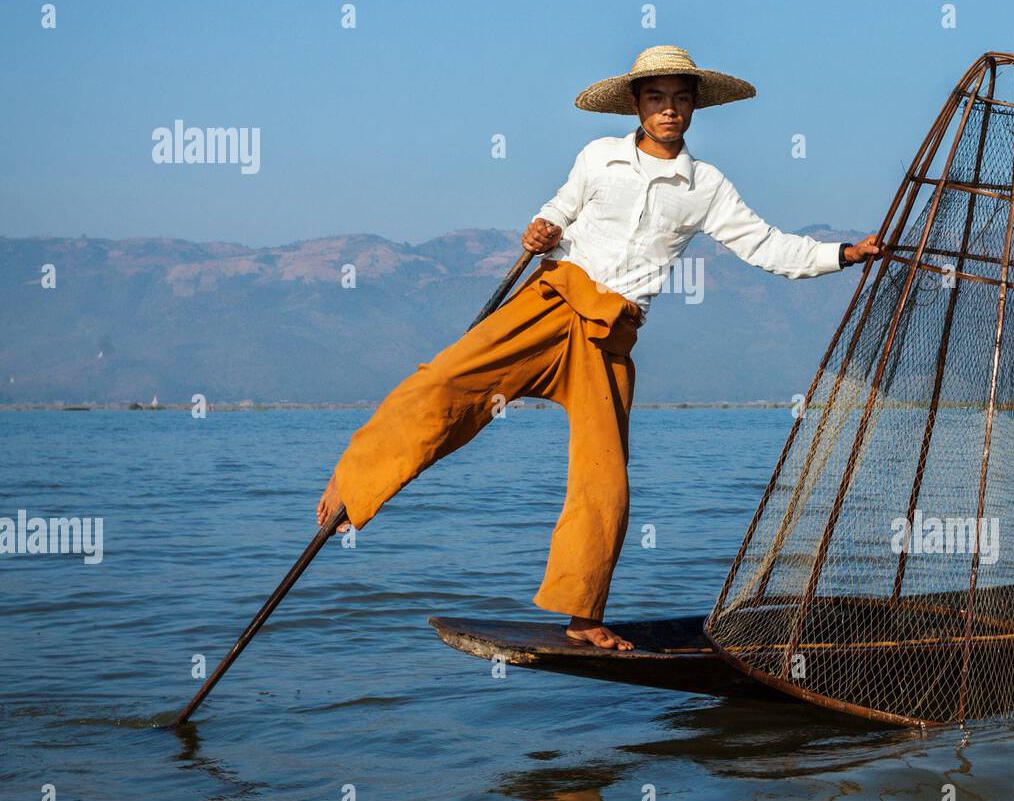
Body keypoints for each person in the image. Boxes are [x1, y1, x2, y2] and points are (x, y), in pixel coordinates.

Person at [316, 45, 880, 649]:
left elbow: (769, 248)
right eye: (657, 98)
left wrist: (845, 253)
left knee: (604, 478)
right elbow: (557, 211)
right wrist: (541, 227)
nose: (669, 110)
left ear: (694, 109)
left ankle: (583, 616)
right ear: (636, 106)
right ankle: (356, 484)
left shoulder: (705, 185)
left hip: (611, 333)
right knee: (444, 382)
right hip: (551, 302)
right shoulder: (599, 157)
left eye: (680, 100)